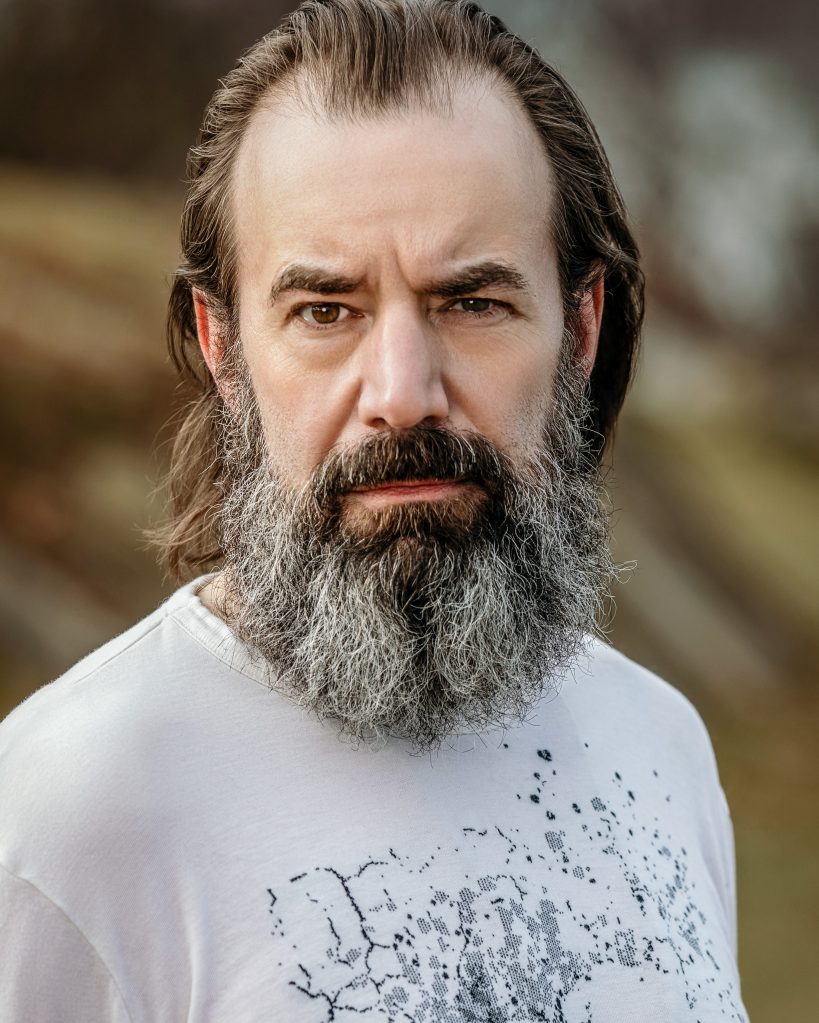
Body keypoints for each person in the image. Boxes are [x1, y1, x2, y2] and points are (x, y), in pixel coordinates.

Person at [0, 1, 748, 1019]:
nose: (402, 392)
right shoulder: (69, 813)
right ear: (224, 350)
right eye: (325, 311)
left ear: (580, 330)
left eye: (472, 303)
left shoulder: (660, 746)